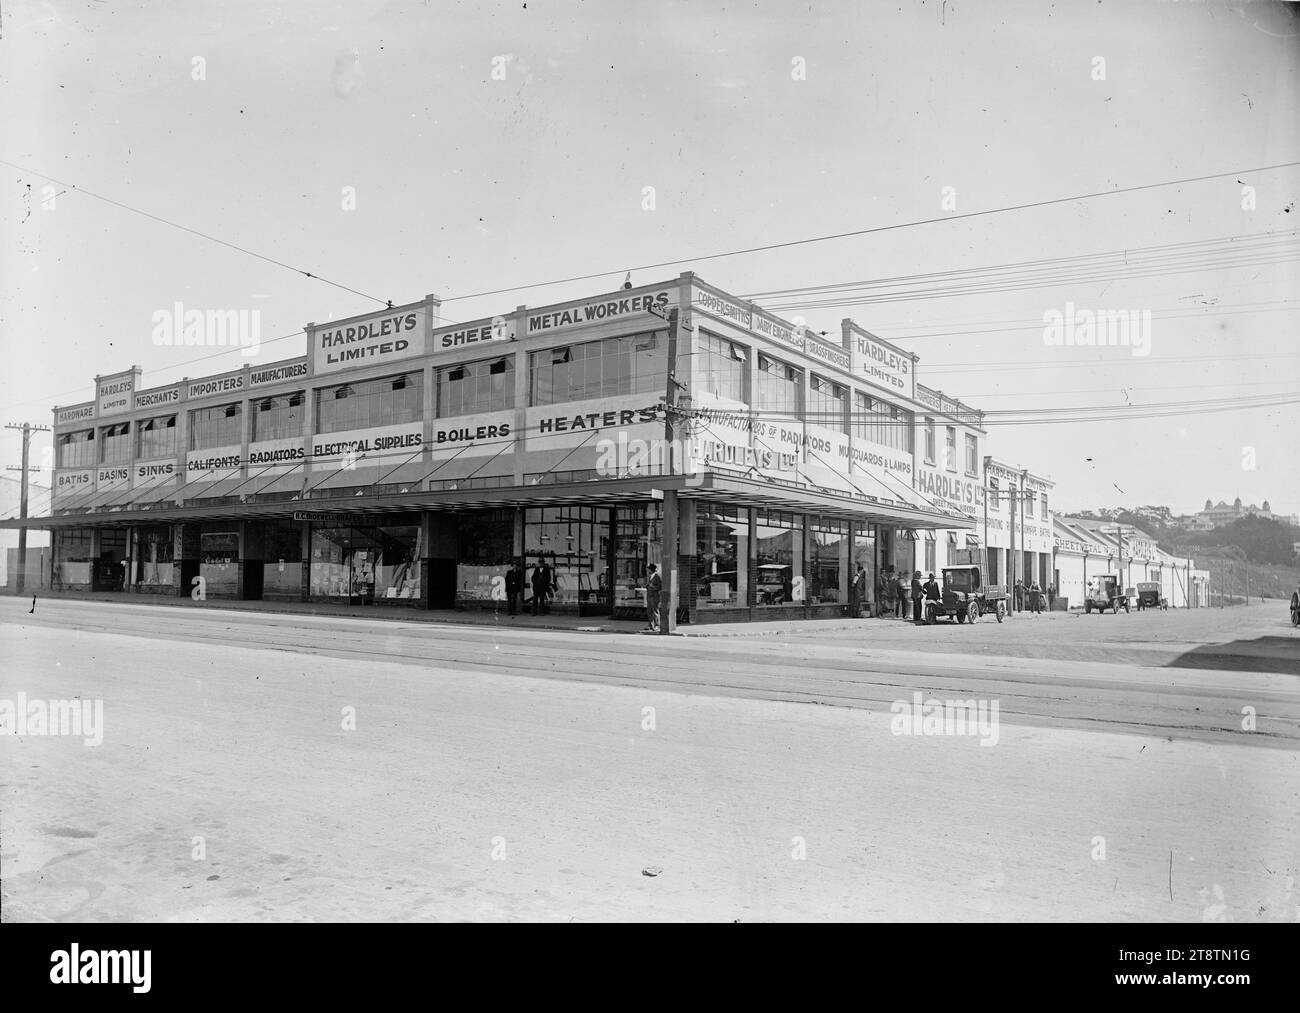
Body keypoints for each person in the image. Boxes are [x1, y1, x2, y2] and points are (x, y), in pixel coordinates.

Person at [645, 563, 663, 631]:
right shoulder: (650, 576)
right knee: (649, 611)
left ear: (651, 569)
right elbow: (649, 585)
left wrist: (653, 587)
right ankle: (650, 625)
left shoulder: (657, 576)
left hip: (655, 596)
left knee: (655, 611)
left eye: (649, 569)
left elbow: (660, 586)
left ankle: (657, 625)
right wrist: (647, 586)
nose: (648, 570)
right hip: (649, 595)